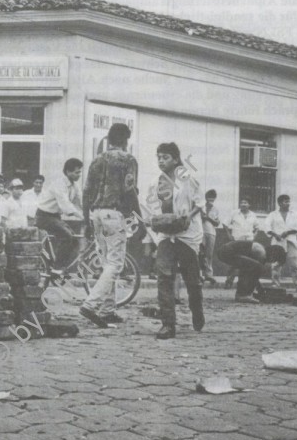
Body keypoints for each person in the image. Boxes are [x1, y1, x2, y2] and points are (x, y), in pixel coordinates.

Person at [79, 122, 139, 328]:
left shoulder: (97, 160)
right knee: (115, 264)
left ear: (109, 139)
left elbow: (86, 192)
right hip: (114, 214)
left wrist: (86, 220)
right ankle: (90, 304)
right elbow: (130, 190)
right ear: (125, 140)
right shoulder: (128, 160)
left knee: (106, 264)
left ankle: (107, 310)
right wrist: (138, 216)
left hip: (95, 213)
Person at [147, 143, 205, 338]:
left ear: (175, 159)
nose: (161, 161)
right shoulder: (156, 182)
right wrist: (156, 219)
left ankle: (197, 311)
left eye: (165, 157)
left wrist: (189, 215)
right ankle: (168, 324)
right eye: (159, 157)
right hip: (165, 235)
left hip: (187, 236)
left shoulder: (186, 177)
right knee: (164, 277)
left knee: (192, 280)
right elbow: (152, 206)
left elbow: (200, 203)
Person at [35, 157, 85, 268]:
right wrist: (82, 217)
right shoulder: (59, 184)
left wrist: (90, 214)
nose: (79, 175)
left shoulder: (74, 186)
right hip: (44, 216)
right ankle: (57, 268)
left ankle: (61, 266)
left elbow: (81, 202)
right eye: (77, 172)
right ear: (68, 172)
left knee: (74, 240)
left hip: (55, 217)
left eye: (80, 172)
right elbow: (66, 206)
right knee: (68, 237)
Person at [220, 198, 270, 301]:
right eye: (241, 202)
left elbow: (257, 227)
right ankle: (229, 281)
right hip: (237, 240)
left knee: (245, 264)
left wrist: (254, 235)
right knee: (235, 263)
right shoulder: (234, 213)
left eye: (245, 203)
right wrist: (229, 235)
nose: (243, 204)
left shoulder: (252, 215)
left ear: (249, 204)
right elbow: (225, 224)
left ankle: (242, 287)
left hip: (249, 242)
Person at [267, 194, 297, 290]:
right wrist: (275, 235)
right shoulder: (273, 214)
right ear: (280, 203)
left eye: (289, 201)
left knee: (294, 264)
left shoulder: (294, 214)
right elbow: (267, 227)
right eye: (285, 201)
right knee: (276, 264)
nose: (288, 203)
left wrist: (287, 232)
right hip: (277, 242)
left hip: (291, 241)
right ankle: (275, 284)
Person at [199, 189, 223, 284]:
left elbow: (217, 222)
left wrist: (208, 218)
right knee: (200, 253)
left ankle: (208, 274)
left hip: (211, 233)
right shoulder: (201, 207)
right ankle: (199, 274)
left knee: (209, 254)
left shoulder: (215, 209)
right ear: (206, 198)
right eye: (209, 197)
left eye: (213, 198)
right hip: (201, 232)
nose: (211, 200)